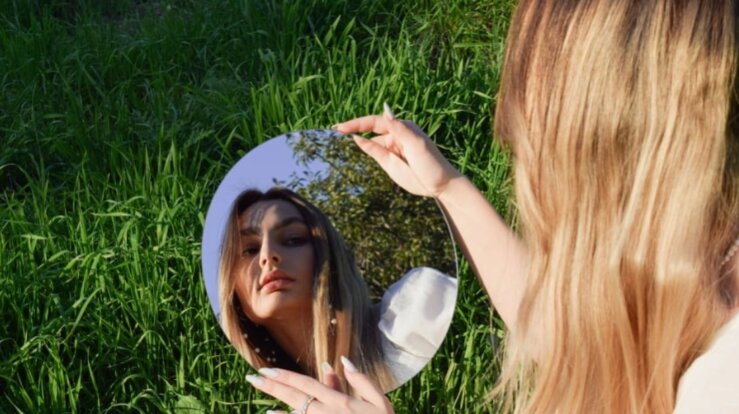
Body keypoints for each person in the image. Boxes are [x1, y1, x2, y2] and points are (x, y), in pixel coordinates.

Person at [243, 1, 739, 413]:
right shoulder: (715, 283)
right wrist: (448, 188)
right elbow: (587, 339)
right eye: (246, 248)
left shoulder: (721, 384)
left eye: (528, 147)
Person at [219, 187, 456, 395]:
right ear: (232, 289)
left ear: (327, 256)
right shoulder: (245, 395)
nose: (267, 255)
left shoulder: (415, 316)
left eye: (293, 239)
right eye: (249, 250)